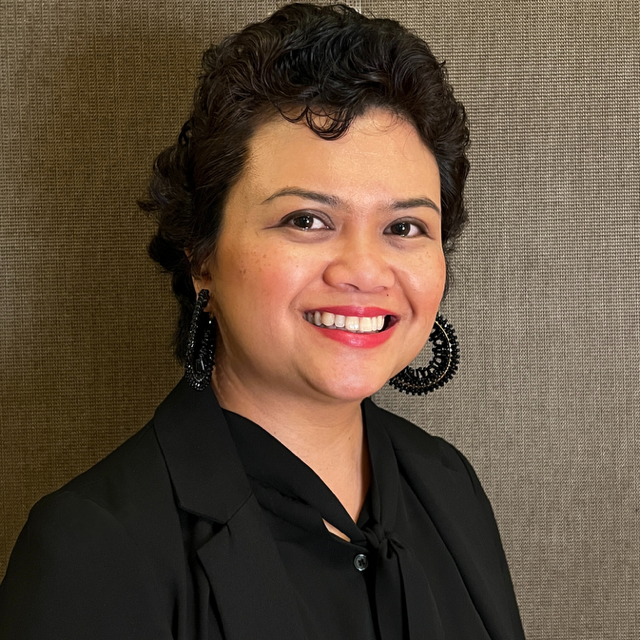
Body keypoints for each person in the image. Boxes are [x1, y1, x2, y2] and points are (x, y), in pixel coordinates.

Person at [0, 3, 525, 639]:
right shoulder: (92, 549)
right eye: (306, 220)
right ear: (201, 257)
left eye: (404, 227)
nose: (364, 270)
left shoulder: (450, 486)